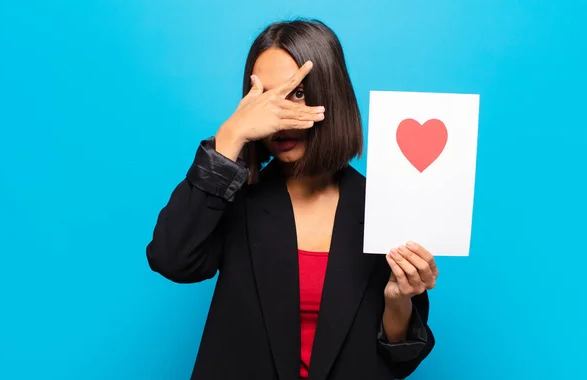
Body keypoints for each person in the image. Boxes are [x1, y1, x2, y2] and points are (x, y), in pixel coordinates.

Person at [146, 18, 438, 380]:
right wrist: (230, 136)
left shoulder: (386, 204)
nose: (279, 117)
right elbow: (171, 259)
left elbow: (400, 359)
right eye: (265, 96)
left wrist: (398, 302)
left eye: (296, 93)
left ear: (330, 94)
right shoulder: (233, 197)